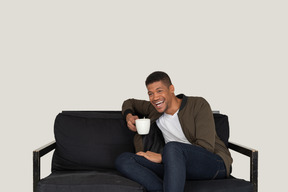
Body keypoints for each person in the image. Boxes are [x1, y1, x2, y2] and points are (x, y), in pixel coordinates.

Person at [115, 71, 232, 192]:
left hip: (212, 164)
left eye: (159, 91)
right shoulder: (154, 109)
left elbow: (206, 148)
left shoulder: (198, 104)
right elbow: (129, 102)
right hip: (174, 166)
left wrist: (162, 157)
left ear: (171, 89)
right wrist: (129, 116)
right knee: (124, 159)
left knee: (172, 148)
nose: (155, 98)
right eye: (150, 93)